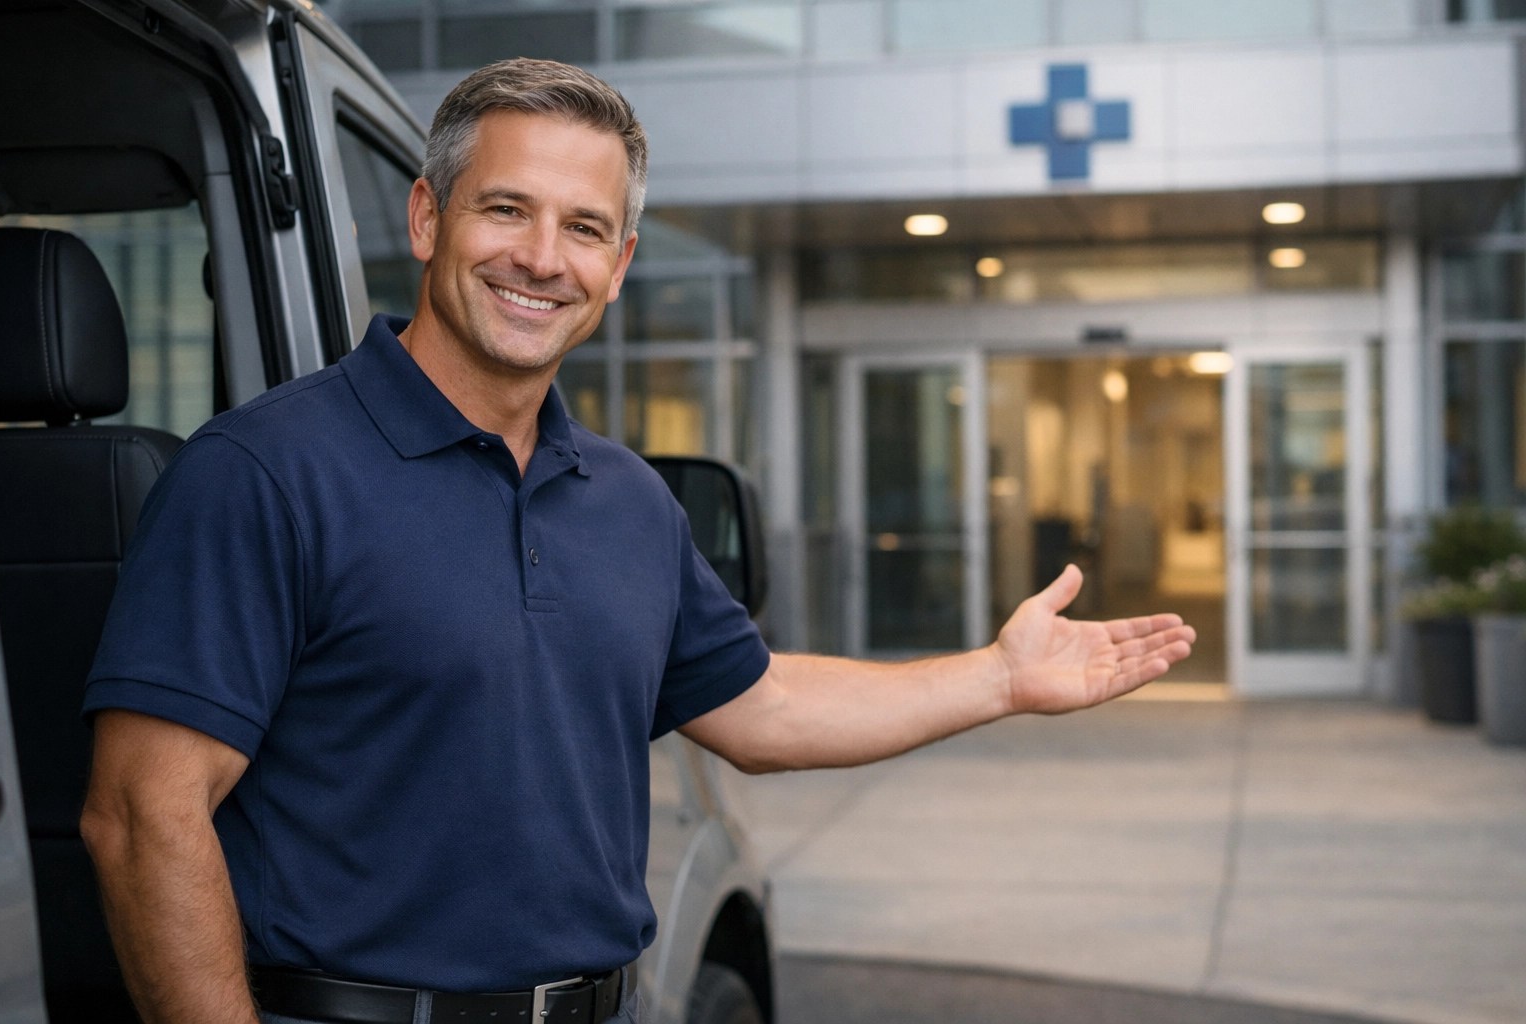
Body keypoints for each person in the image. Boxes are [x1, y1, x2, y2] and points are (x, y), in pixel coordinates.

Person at [79, 58, 1195, 1024]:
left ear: (619, 265)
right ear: (427, 219)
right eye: (505, 210)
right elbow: (141, 816)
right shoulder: (263, 473)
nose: (542, 258)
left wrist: (997, 677)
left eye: (585, 228)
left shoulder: (626, 499)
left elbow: (764, 708)